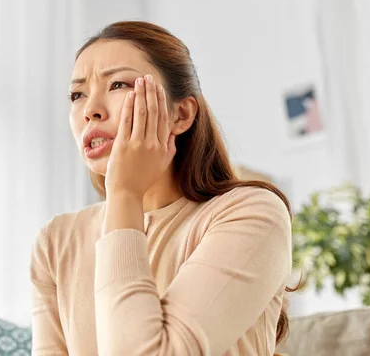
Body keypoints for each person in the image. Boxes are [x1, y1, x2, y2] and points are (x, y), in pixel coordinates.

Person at [30, 21, 294, 355]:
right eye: (77, 94)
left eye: (118, 84)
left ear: (181, 114)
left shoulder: (251, 213)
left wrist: (124, 193)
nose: (91, 111)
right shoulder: (56, 241)